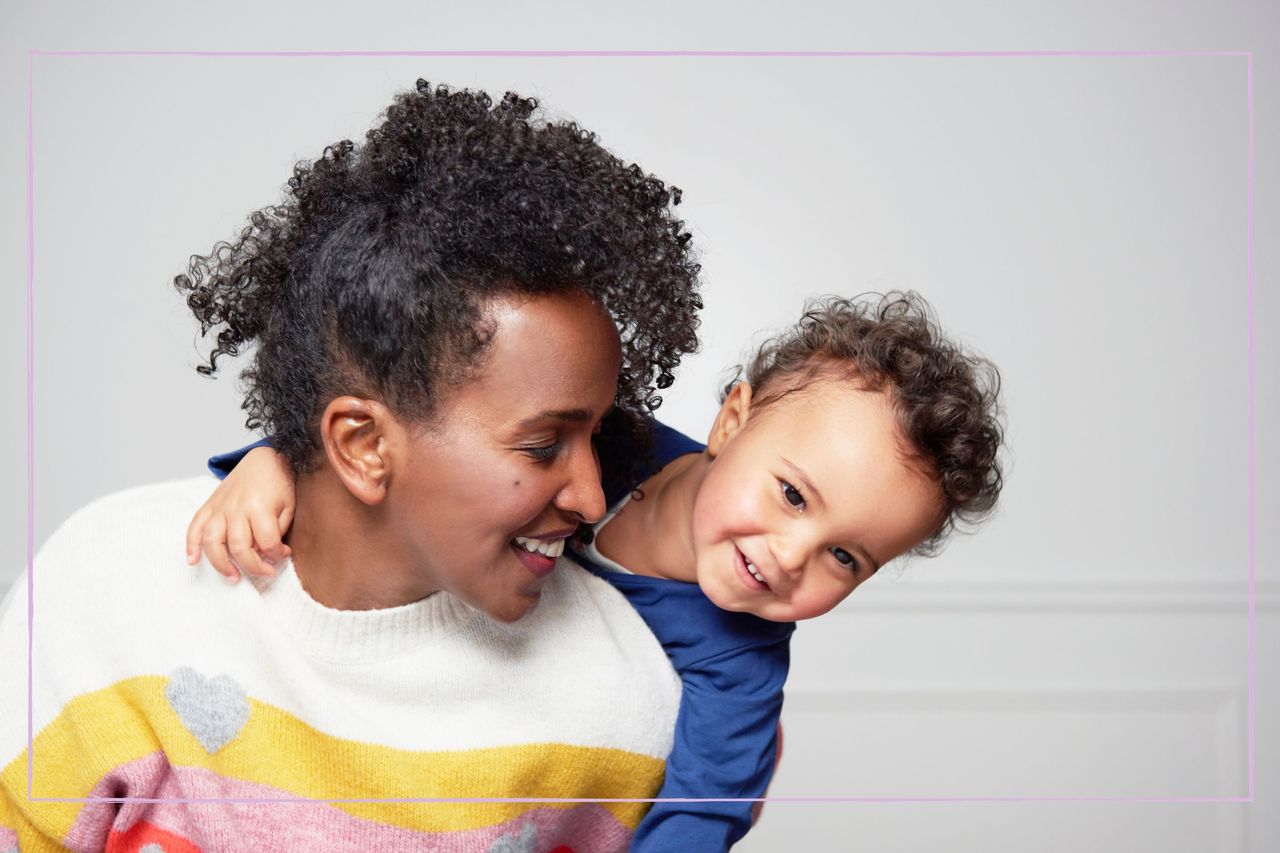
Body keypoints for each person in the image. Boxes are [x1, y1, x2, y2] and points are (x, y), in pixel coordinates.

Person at [0, 80, 703, 852]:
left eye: (598, 438)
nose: (591, 492)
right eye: (542, 446)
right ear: (365, 446)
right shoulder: (106, 591)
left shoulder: (622, 698)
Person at [193, 291, 1005, 851]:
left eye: (844, 556)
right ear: (731, 420)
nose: (791, 555)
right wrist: (272, 462)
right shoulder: (607, 442)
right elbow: (423, 448)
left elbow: (699, 817)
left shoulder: (740, 665)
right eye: (792, 493)